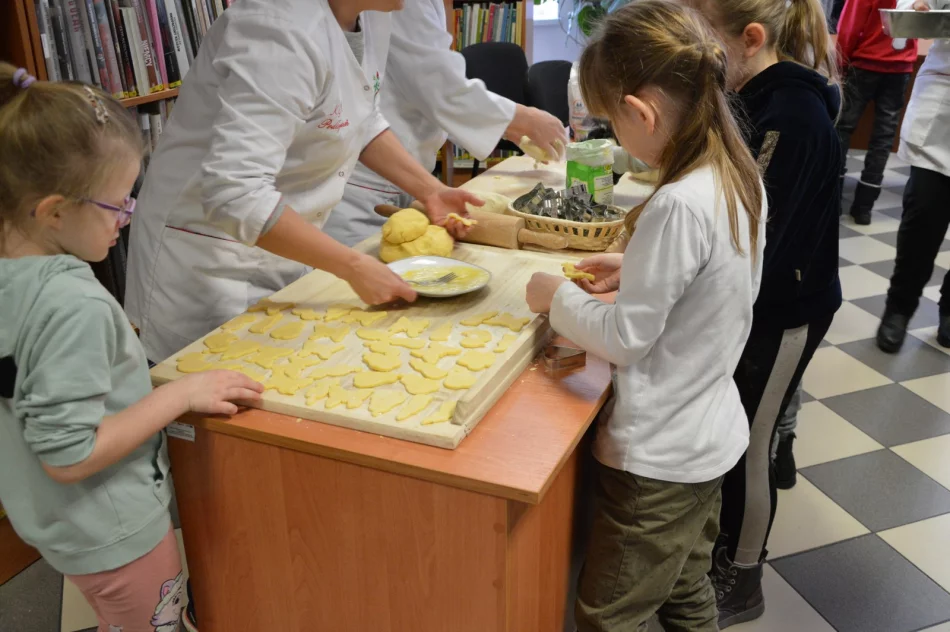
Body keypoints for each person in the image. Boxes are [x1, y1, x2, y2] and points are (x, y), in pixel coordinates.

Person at [525, 2, 766, 629]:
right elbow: (713, 277)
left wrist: (555, 296)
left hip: (658, 463)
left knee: (609, 614)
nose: (613, 137)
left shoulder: (677, 205)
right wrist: (637, 268)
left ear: (640, 113)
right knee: (686, 586)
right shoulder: (736, 169)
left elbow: (627, 339)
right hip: (708, 438)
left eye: (609, 123)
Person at [0, 65, 263, 632]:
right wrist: (182, 393)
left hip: (55, 520)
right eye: (118, 204)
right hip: (113, 532)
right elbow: (69, 455)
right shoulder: (71, 305)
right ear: (53, 211)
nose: (128, 217)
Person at [125, 0, 481, 363]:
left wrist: (431, 190)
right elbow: (235, 193)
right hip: (211, 261)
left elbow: (359, 117)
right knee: (210, 394)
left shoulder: (371, 18)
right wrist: (352, 266)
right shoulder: (278, 30)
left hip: (278, 242)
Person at [691, 0, 843, 626]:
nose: (696, 56)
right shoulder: (754, 97)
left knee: (750, 441)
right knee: (740, 428)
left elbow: (757, 243)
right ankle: (718, 550)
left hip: (787, 309)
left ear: (750, 39)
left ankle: (743, 576)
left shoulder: (794, 117)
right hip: (760, 299)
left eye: (704, 42)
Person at [322, 0, 567, 247]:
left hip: (397, 170)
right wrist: (519, 118)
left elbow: (365, 121)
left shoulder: (382, 15)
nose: (402, 5)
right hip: (353, 189)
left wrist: (431, 191)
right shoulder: (300, 33)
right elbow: (436, 82)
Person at [876, 0, 950, 352]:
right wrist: (916, 6)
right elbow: (911, 7)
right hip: (944, 104)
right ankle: (899, 307)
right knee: (923, 215)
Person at [836, 0, 919, 225]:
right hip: (899, 67)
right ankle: (864, 207)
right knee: (883, 138)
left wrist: (841, 64)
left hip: (864, 64)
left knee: (843, 129)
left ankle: (834, 202)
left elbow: (849, 27)